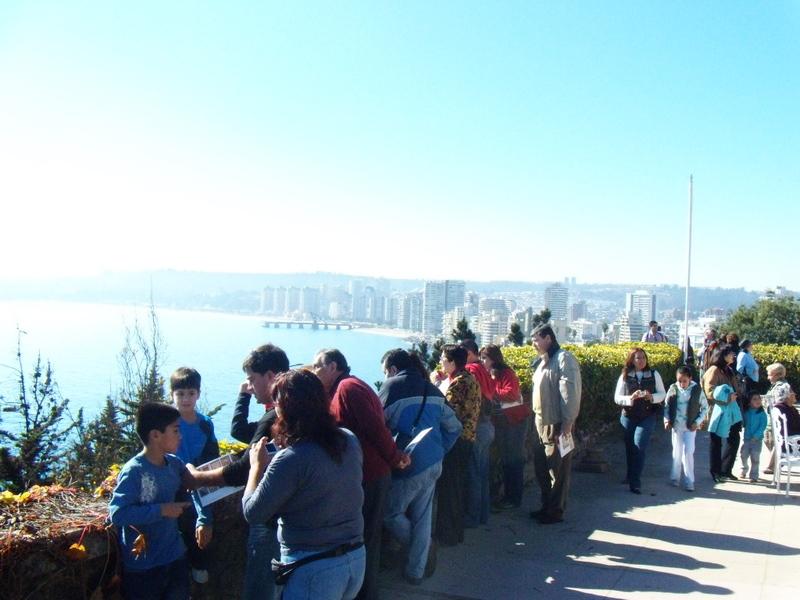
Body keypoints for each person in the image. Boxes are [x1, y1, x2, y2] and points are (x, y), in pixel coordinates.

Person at [242, 370, 366, 600]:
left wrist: (256, 468)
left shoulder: (291, 458)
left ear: (285, 409)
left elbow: (253, 512)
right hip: (355, 558)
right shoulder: (348, 439)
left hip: (314, 569)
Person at [188, 344, 290, 600]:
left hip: (269, 518)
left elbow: (243, 470)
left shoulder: (274, 417)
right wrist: (244, 396)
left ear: (270, 376)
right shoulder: (291, 413)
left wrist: (198, 478)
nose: (250, 386)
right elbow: (241, 431)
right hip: (291, 518)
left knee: (260, 588)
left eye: (252, 379)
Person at [312, 348, 409, 600]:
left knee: (365, 539)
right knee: (363, 538)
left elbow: (376, 428)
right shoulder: (342, 388)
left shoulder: (348, 389)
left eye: (317, 366)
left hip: (370, 475)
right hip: (365, 474)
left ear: (333, 366)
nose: (314, 371)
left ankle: (364, 594)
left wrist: (394, 457)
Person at [379, 349, 462, 584]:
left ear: (393, 369)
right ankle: (415, 571)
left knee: (390, 514)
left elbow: (375, 425)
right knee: (423, 518)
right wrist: (440, 449)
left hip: (407, 463)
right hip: (434, 461)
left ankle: (421, 549)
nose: (386, 376)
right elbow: (455, 427)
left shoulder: (392, 387)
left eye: (385, 372)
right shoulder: (432, 389)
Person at [109, 402, 199, 600]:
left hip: (175, 557)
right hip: (143, 566)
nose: (180, 436)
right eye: (175, 430)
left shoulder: (174, 464)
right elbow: (118, 514)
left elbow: (192, 483)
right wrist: (162, 510)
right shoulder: (134, 471)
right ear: (155, 435)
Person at [170, 367, 219, 585]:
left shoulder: (205, 423)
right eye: (180, 394)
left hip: (199, 480)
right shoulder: (168, 423)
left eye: (191, 393)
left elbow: (211, 456)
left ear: (198, 394)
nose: (186, 399)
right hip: (173, 482)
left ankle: (199, 564)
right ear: (172, 395)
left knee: (198, 521)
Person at [529, 324, 582, 524]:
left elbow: (570, 395)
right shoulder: (543, 361)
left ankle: (555, 510)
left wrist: (567, 424)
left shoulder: (563, 359)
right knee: (541, 467)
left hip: (556, 423)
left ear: (548, 338)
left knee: (557, 469)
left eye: (536, 340)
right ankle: (546, 505)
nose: (534, 344)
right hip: (540, 422)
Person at [433, 344, 481, 545]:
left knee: (450, 488)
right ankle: (455, 533)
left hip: (457, 440)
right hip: (466, 438)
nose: (440, 362)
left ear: (452, 362)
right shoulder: (469, 378)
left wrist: (435, 385)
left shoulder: (459, 383)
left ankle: (448, 535)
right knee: (457, 486)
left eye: (443, 359)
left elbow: (446, 411)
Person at [481, 344, 531, 510]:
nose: (482, 361)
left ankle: (513, 498)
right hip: (503, 422)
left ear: (493, 359)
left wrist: (491, 391)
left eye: (485, 358)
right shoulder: (490, 374)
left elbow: (512, 394)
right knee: (506, 460)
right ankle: (508, 496)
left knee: (513, 460)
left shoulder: (506, 373)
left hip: (514, 421)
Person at [614, 347, 666, 494]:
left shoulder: (654, 374)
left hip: (647, 415)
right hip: (629, 416)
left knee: (639, 445)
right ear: (632, 360)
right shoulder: (625, 375)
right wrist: (630, 398)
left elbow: (662, 393)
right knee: (630, 448)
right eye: (638, 358)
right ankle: (630, 474)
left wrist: (652, 397)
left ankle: (635, 482)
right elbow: (617, 397)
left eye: (643, 357)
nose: (641, 360)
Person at [460, 340, 496, 526]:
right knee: (482, 473)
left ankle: (472, 517)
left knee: (473, 473)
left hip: (476, 426)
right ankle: (483, 515)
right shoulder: (482, 369)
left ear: (468, 353)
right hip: (487, 425)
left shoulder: (470, 371)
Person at [663, 366, 707, 492]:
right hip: (677, 427)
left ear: (690, 379)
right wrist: (666, 420)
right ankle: (675, 477)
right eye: (679, 381)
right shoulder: (673, 388)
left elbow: (705, 408)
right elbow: (666, 406)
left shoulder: (697, 390)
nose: (682, 384)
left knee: (688, 452)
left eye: (685, 381)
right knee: (677, 452)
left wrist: (697, 422)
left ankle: (689, 480)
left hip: (690, 427)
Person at [703, 344, 742, 483]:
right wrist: (727, 397)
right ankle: (716, 471)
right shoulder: (714, 370)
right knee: (716, 441)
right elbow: (709, 391)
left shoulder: (728, 369)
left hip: (731, 410)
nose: (733, 355)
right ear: (723, 355)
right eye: (730, 353)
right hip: (717, 411)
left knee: (734, 438)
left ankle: (726, 469)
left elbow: (735, 388)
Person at [763, 362, 791, 475]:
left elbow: (777, 404)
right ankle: (778, 462)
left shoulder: (781, 386)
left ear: (778, 375)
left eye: (770, 374)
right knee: (769, 440)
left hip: (776, 419)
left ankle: (773, 466)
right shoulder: (776, 385)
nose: (768, 377)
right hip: (771, 418)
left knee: (774, 441)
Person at [739, 391, 767, 482]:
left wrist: (756, 436)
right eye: (754, 399)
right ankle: (744, 469)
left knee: (755, 458)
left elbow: (762, 426)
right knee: (743, 455)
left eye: (759, 399)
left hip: (757, 441)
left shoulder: (762, 414)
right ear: (749, 402)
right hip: (747, 439)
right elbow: (744, 423)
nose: (758, 401)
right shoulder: (746, 412)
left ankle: (754, 476)